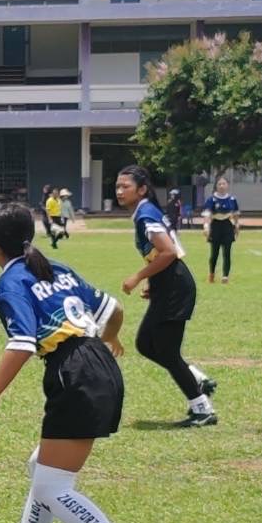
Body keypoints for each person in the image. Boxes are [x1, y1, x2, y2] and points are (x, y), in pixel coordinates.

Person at [0, 201, 157, 523]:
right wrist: (109, 339)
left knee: (54, 486)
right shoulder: (55, 268)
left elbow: (21, 343)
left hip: (76, 375)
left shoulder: (10, 282)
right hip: (97, 366)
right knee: (42, 470)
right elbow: (114, 308)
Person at [114, 164, 218, 427]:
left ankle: (202, 409)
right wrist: (153, 281)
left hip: (175, 287)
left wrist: (138, 277)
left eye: (125, 186)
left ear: (142, 189)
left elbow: (169, 252)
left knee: (167, 351)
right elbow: (159, 253)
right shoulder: (145, 211)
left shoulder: (145, 214)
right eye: (117, 186)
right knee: (145, 344)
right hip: (167, 284)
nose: (119, 191)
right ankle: (198, 379)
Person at [201, 177, 241, 284]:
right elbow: (207, 214)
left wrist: (237, 226)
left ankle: (225, 276)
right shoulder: (211, 199)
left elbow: (236, 214)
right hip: (215, 225)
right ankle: (211, 274)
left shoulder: (232, 199)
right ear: (216, 186)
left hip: (227, 225)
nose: (222, 186)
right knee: (214, 253)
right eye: (219, 184)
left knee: (227, 252)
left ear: (227, 185)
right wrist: (206, 226)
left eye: (224, 184)